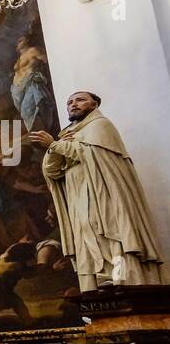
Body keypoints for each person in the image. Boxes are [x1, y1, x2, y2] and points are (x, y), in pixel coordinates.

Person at [30, 90, 165, 290]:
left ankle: (120, 278)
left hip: (103, 193)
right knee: (87, 237)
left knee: (113, 234)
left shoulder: (100, 126)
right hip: (78, 197)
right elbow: (52, 170)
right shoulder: (68, 134)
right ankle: (98, 283)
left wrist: (54, 144)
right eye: (70, 102)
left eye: (81, 100)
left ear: (94, 104)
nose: (73, 104)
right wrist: (53, 148)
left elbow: (91, 154)